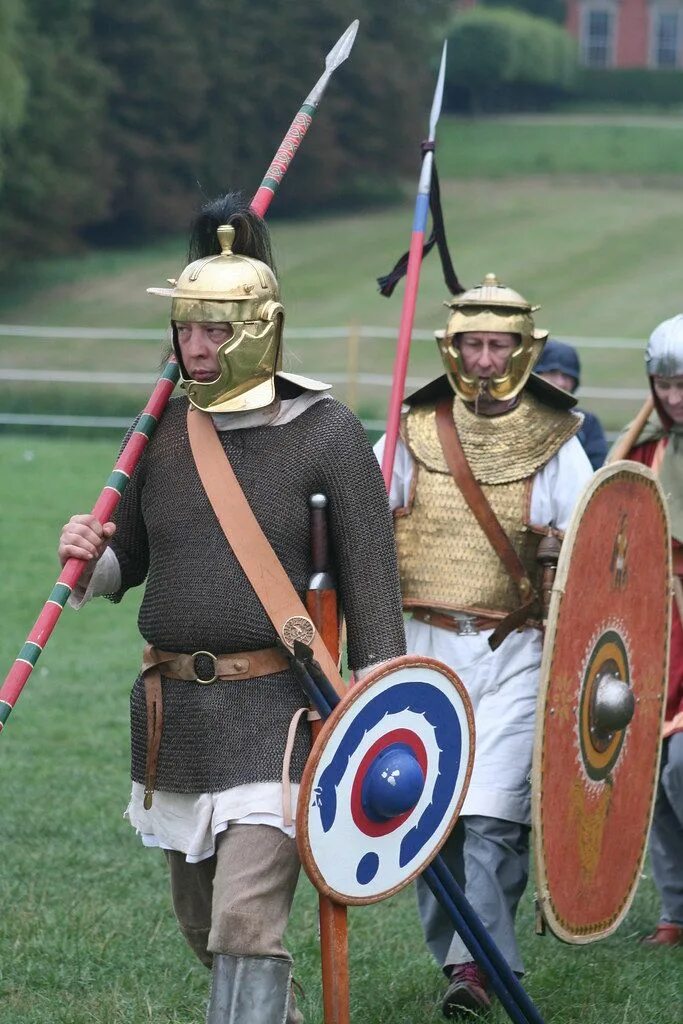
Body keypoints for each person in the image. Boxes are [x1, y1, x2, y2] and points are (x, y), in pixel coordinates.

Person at [57, 193, 406, 1024]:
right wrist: (87, 559)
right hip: (177, 716)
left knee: (245, 925)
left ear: (259, 327)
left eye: (215, 329)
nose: (197, 346)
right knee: (203, 926)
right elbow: (128, 563)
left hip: (282, 719)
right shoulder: (160, 432)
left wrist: (382, 707)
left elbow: (373, 586)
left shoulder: (324, 432)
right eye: (186, 328)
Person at [375, 273, 593, 1018]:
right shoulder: (410, 427)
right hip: (423, 647)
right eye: (472, 343)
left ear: (522, 348)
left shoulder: (557, 438)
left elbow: (596, 545)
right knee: (428, 819)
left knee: (491, 819)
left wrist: (558, 547)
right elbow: (363, 523)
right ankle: (461, 960)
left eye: (498, 344)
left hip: (514, 654)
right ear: (451, 347)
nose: (485, 358)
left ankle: (478, 972)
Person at [610, 314, 683, 949]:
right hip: (655, 633)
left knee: (681, 766)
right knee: (651, 767)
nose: (677, 397)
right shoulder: (642, 453)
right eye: (667, 384)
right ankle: (676, 910)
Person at [534, 338, 608, 470]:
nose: (561, 383)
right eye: (552, 372)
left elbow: (597, 471)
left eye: (567, 376)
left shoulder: (588, 423)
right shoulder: (518, 418)